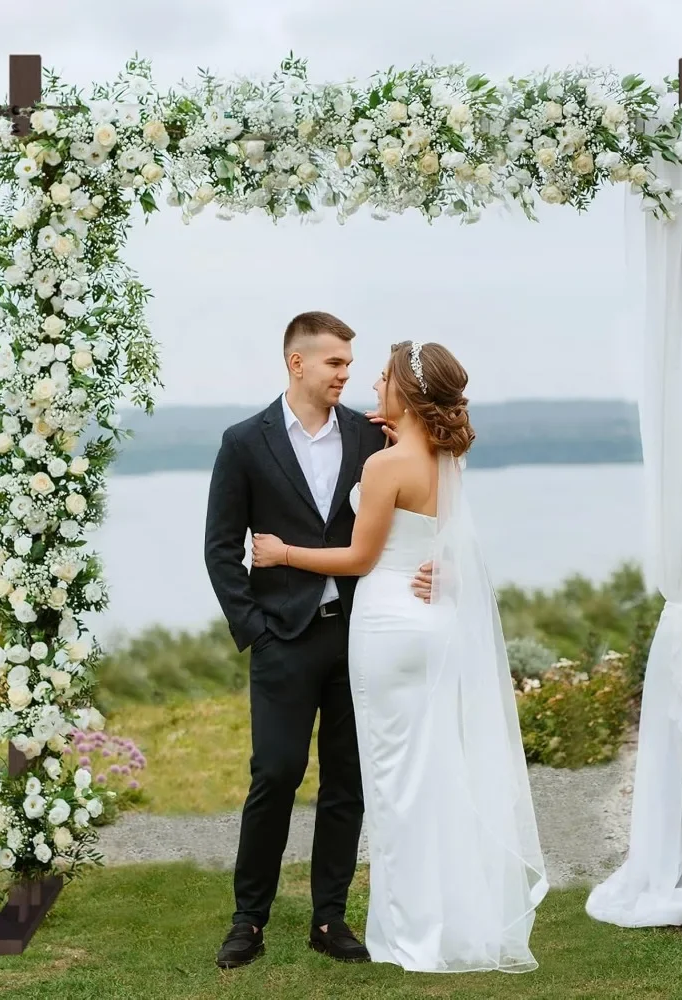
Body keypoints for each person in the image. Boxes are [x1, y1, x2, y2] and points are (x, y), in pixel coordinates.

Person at [252, 340, 548, 973]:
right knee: (437, 773)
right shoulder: (444, 460)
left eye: (382, 378)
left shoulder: (386, 467)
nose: (371, 387)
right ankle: (453, 923)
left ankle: (411, 935)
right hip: (434, 624)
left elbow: (360, 559)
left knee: (392, 783)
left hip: (387, 623)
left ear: (405, 393)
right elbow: (451, 544)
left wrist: (283, 555)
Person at [204, 312, 432, 969]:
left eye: (351, 364)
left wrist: (435, 563)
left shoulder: (371, 437)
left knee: (348, 781)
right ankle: (249, 920)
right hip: (283, 639)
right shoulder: (244, 442)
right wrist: (255, 630)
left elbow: (419, 506)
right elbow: (222, 549)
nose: (346, 375)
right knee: (274, 773)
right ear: (296, 363)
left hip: (362, 634)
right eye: (335, 363)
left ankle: (329, 919)